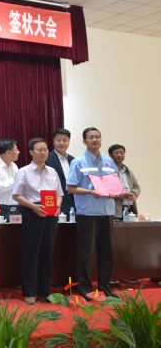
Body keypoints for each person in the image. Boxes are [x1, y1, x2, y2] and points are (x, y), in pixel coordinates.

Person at [66, 127, 119, 300]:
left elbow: (116, 184)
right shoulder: (78, 162)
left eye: (97, 137)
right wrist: (90, 192)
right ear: (84, 141)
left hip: (107, 212)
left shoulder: (109, 162)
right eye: (91, 137)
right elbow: (70, 187)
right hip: (87, 214)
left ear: (101, 140)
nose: (95, 140)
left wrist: (118, 191)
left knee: (107, 252)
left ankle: (105, 286)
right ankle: (85, 287)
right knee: (85, 253)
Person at [12, 138, 63, 304]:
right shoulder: (24, 172)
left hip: (51, 214)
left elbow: (60, 193)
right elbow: (16, 195)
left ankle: (44, 291)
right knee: (31, 253)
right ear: (31, 152)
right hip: (32, 213)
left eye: (45, 150)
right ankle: (30, 291)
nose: (43, 153)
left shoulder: (53, 171)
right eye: (39, 150)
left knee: (47, 253)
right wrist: (33, 207)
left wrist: (58, 206)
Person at [46, 128, 75, 221]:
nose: (62, 143)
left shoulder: (73, 160)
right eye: (58, 140)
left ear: (69, 142)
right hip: (54, 200)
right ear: (53, 141)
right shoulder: (47, 158)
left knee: (71, 226)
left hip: (72, 199)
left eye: (65, 140)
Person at [108, 144, 141, 220]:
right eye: (117, 153)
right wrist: (124, 195)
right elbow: (108, 191)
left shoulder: (127, 170)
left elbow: (137, 187)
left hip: (130, 207)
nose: (120, 155)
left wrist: (133, 193)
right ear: (110, 155)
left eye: (122, 153)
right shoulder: (108, 171)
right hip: (115, 209)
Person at [0, 139, 19, 220]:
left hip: (15, 206)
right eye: (16, 150)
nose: (18, 152)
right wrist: (15, 181)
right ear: (8, 152)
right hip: (1, 207)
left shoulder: (14, 166)